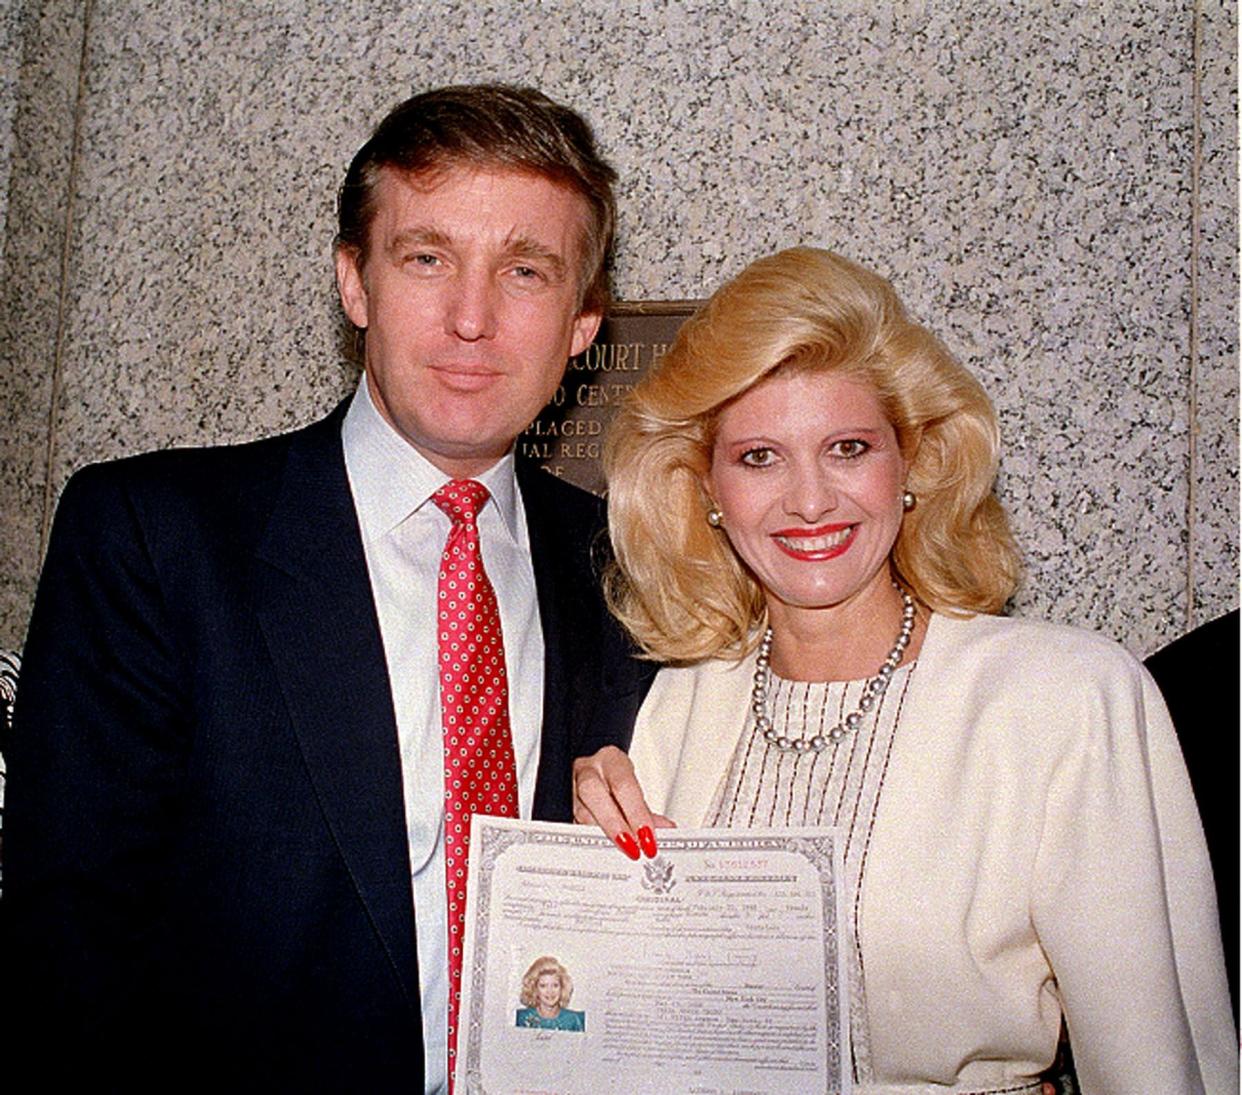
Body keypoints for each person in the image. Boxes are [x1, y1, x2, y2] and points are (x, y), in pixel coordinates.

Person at [2, 85, 651, 1093]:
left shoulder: (631, 574)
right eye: (426, 258)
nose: (472, 318)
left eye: (525, 272)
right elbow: (69, 944)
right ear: (354, 283)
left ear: (582, 322)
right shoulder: (155, 539)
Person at [574, 247, 1235, 1093]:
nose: (809, 500)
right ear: (704, 486)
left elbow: (1156, 1066)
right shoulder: (679, 704)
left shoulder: (1066, 701)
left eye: (848, 447)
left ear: (912, 461)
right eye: (759, 457)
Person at [515, 955, 585, 1031]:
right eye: (543, 986)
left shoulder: (574, 1019)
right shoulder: (520, 1018)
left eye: (555, 985)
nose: (550, 991)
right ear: (534, 989)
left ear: (562, 988)